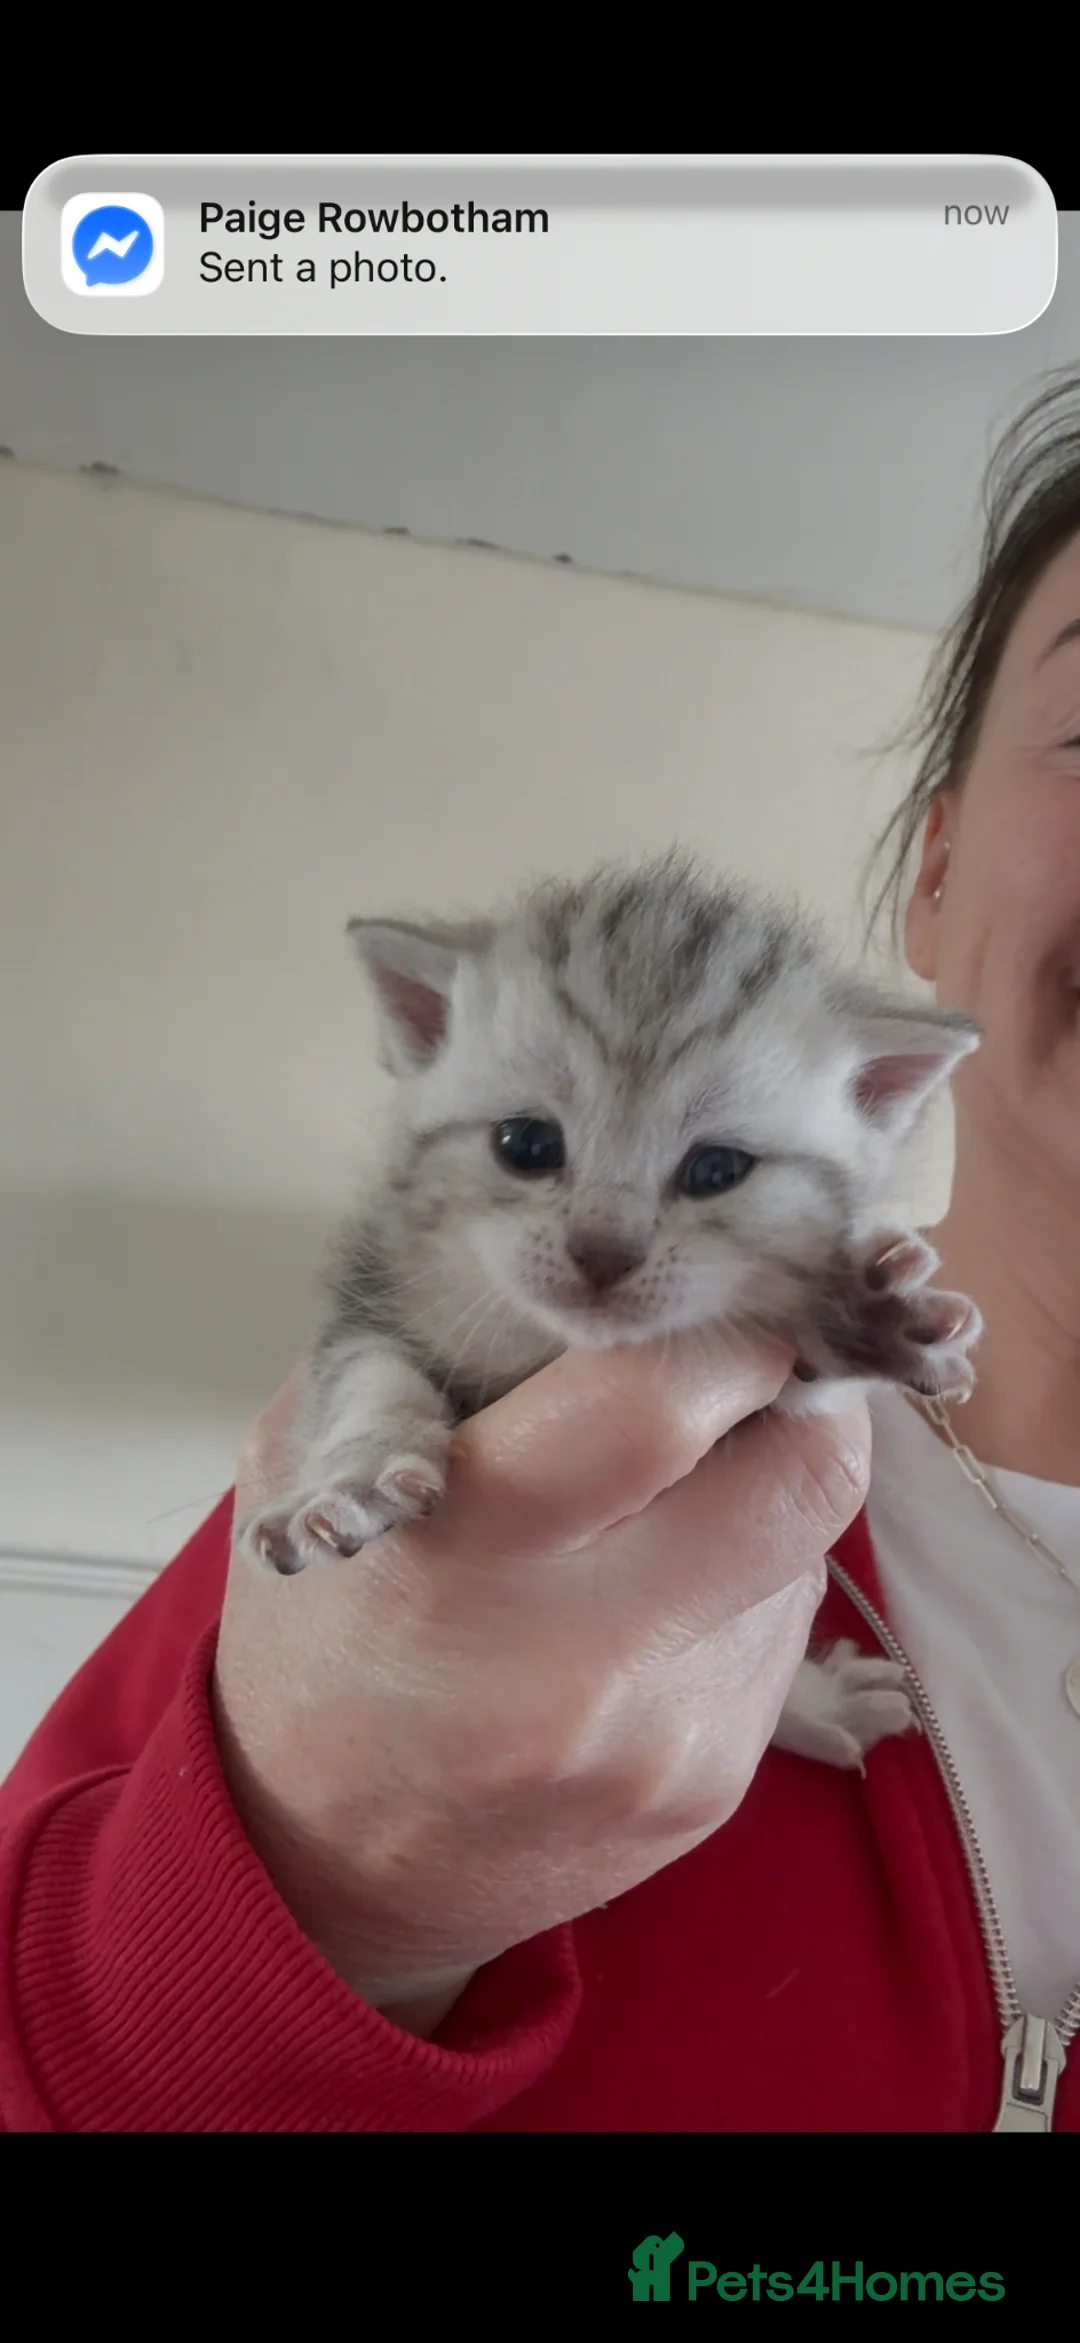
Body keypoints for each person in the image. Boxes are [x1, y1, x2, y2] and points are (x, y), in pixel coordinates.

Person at [3, 373, 1080, 2135]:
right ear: (937, 875)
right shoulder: (406, 1508)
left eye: (712, 1165)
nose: (599, 1245)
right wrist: (324, 1899)